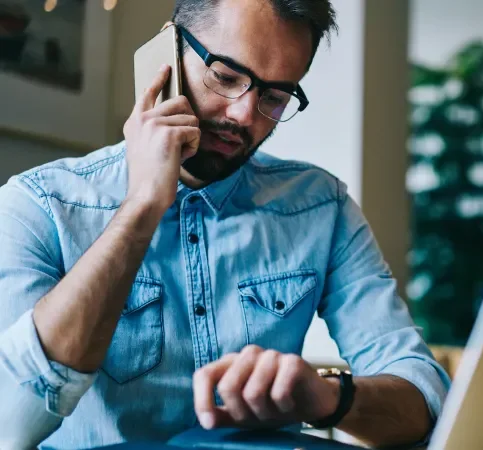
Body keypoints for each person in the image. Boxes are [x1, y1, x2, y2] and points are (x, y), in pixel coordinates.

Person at [0, 0, 451, 448]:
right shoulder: (38, 205)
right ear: (168, 51)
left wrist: (327, 397)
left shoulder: (321, 207)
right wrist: (141, 207)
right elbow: (11, 422)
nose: (244, 116)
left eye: (275, 96)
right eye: (225, 76)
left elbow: (425, 403)